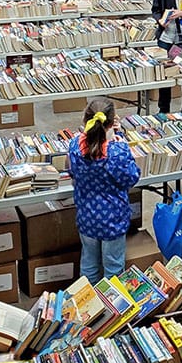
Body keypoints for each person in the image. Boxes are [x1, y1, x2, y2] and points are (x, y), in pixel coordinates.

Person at [68, 98, 140, 283]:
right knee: (113, 268)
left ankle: (87, 298)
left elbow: (73, 171)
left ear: (86, 120)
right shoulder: (117, 152)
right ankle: (111, 300)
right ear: (110, 123)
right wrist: (119, 137)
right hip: (113, 221)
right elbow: (131, 177)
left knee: (88, 264)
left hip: (86, 217)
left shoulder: (75, 146)